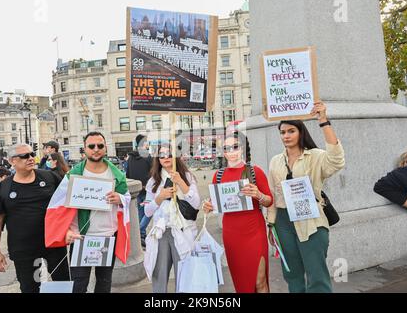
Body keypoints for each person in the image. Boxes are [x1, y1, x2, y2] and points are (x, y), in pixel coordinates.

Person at [266, 102, 345, 293]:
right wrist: (271, 224)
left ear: (301, 132)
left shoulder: (315, 156)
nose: (286, 136)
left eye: (291, 131)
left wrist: (323, 121)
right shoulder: (276, 161)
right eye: (282, 132)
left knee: (317, 276)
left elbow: (336, 161)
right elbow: (273, 195)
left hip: (311, 220)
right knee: (292, 275)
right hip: (283, 222)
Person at [45, 131, 131, 293]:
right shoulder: (73, 175)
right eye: (91, 146)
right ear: (84, 149)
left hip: (107, 236)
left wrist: (120, 198)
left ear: (105, 148)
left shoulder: (117, 175)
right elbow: (57, 207)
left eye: (100, 146)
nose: (96, 149)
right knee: (78, 285)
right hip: (80, 237)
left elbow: (126, 197)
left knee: (104, 283)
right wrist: (67, 230)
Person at [0, 144, 70, 293]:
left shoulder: (50, 177)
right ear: (12, 161)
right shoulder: (2, 188)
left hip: (54, 244)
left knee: (62, 285)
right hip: (23, 249)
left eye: (32, 154)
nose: (31, 158)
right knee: (30, 288)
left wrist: (69, 229)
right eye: (25, 156)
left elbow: (67, 204)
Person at [203, 130, 273, 293]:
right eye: (226, 148)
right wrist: (208, 206)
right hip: (232, 235)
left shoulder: (255, 172)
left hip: (254, 232)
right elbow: (214, 203)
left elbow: (269, 201)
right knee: (242, 284)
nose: (231, 152)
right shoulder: (218, 175)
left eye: (235, 147)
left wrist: (259, 195)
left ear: (243, 148)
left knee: (260, 281)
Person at [144, 143, 201, 293]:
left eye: (169, 154)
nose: (165, 157)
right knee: (159, 274)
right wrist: (160, 197)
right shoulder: (153, 181)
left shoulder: (187, 176)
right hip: (161, 232)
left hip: (183, 231)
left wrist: (181, 182)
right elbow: (147, 211)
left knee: (184, 273)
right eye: (161, 155)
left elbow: (196, 204)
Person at [126, 135, 153, 247]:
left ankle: (141, 236)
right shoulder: (147, 156)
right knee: (149, 212)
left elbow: (127, 173)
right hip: (146, 190)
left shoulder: (130, 157)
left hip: (136, 190)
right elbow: (153, 172)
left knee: (141, 214)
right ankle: (139, 231)